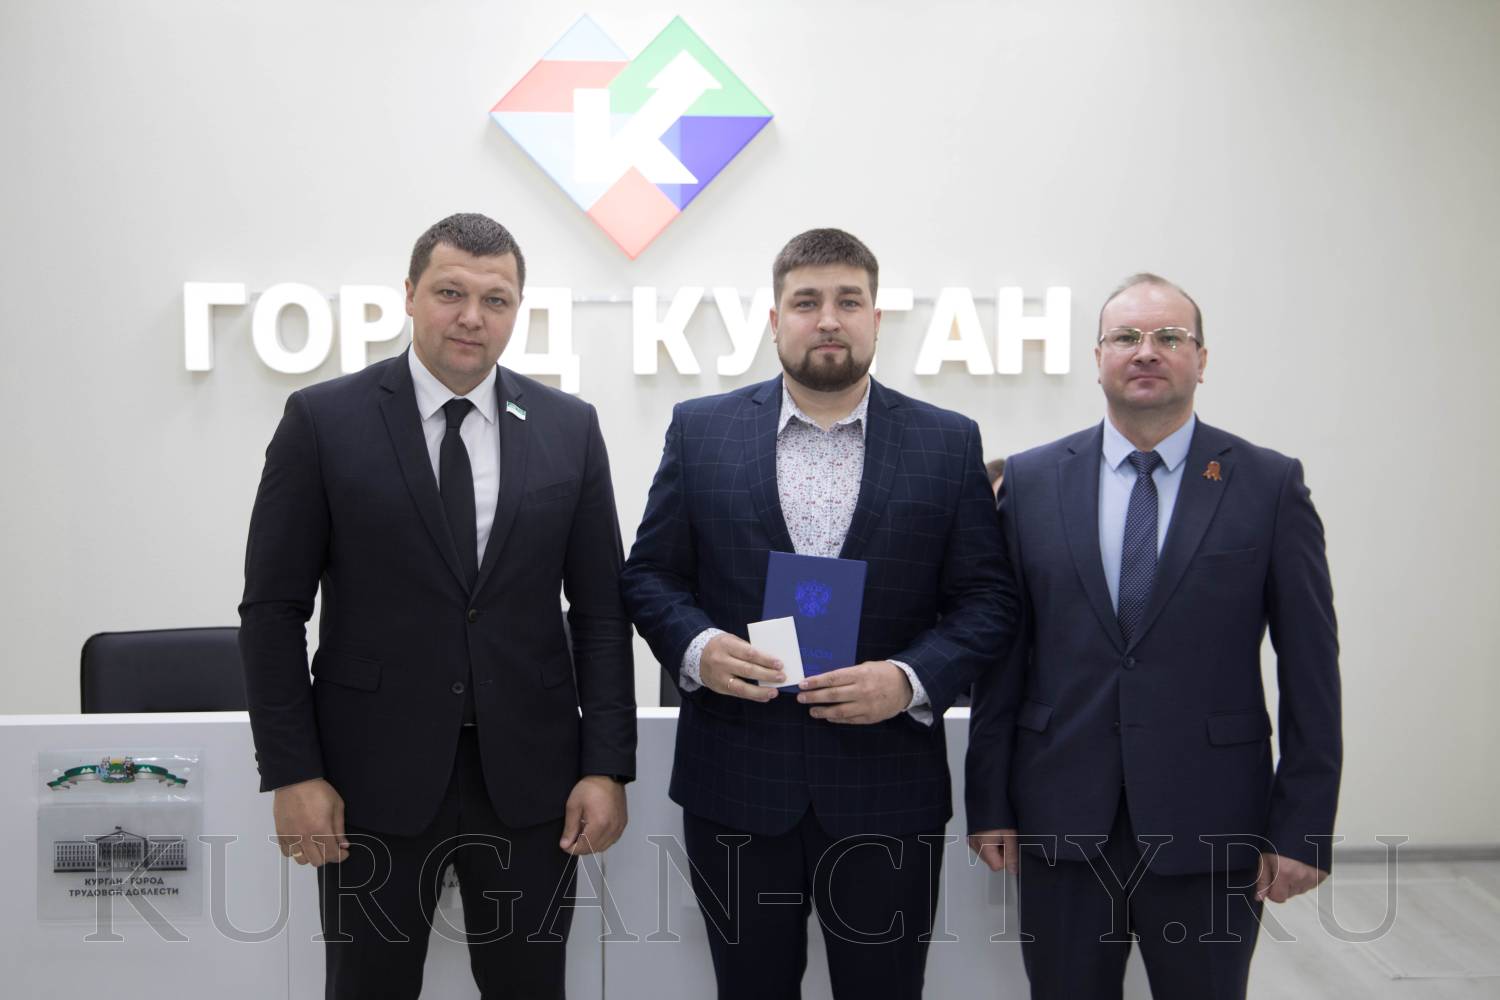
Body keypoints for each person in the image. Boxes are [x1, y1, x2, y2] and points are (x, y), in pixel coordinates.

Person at [239, 213, 636, 999]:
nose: (471, 317)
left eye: (496, 299)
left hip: (530, 782)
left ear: (517, 310)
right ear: (410, 295)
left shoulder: (569, 428)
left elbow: (599, 612)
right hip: (368, 780)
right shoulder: (323, 421)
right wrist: (293, 771)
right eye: (451, 292)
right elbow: (273, 611)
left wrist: (606, 766)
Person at [621, 228, 1018, 1000]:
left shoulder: (947, 443)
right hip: (737, 786)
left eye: (849, 301)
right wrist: (699, 648)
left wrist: (909, 679)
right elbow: (650, 576)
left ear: (877, 318)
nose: (828, 319)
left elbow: (989, 599)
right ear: (775, 320)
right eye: (807, 302)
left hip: (887, 792)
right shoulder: (700, 431)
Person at [967, 274, 1341, 1000]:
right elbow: (1003, 658)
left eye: (1169, 336)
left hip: (1213, 820)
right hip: (1060, 815)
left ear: (1202, 359)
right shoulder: (1033, 481)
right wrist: (990, 803)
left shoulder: (1267, 485)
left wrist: (1304, 825)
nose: (1147, 351)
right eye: (1126, 337)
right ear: (1097, 357)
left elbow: (1311, 668)